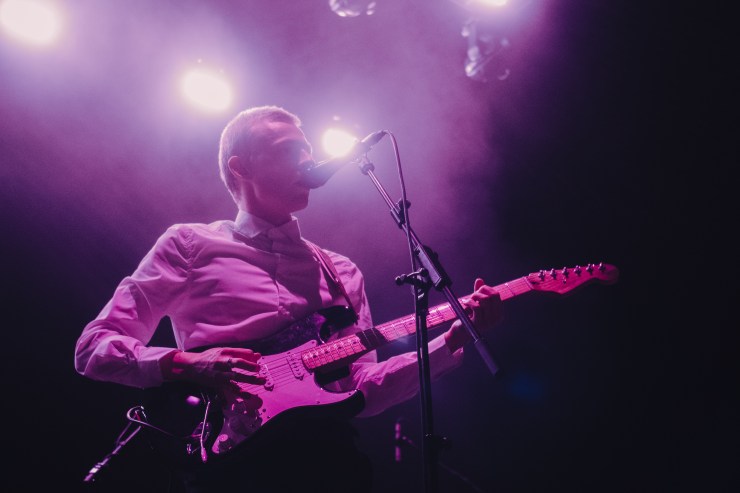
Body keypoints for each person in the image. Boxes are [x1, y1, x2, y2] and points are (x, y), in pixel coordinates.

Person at [74, 105, 504, 492]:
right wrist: (188, 363)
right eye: (289, 150)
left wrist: (449, 343)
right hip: (235, 461)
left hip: (330, 462)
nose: (308, 160)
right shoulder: (188, 244)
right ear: (241, 167)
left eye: (308, 150)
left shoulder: (340, 270)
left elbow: (360, 386)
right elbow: (94, 347)